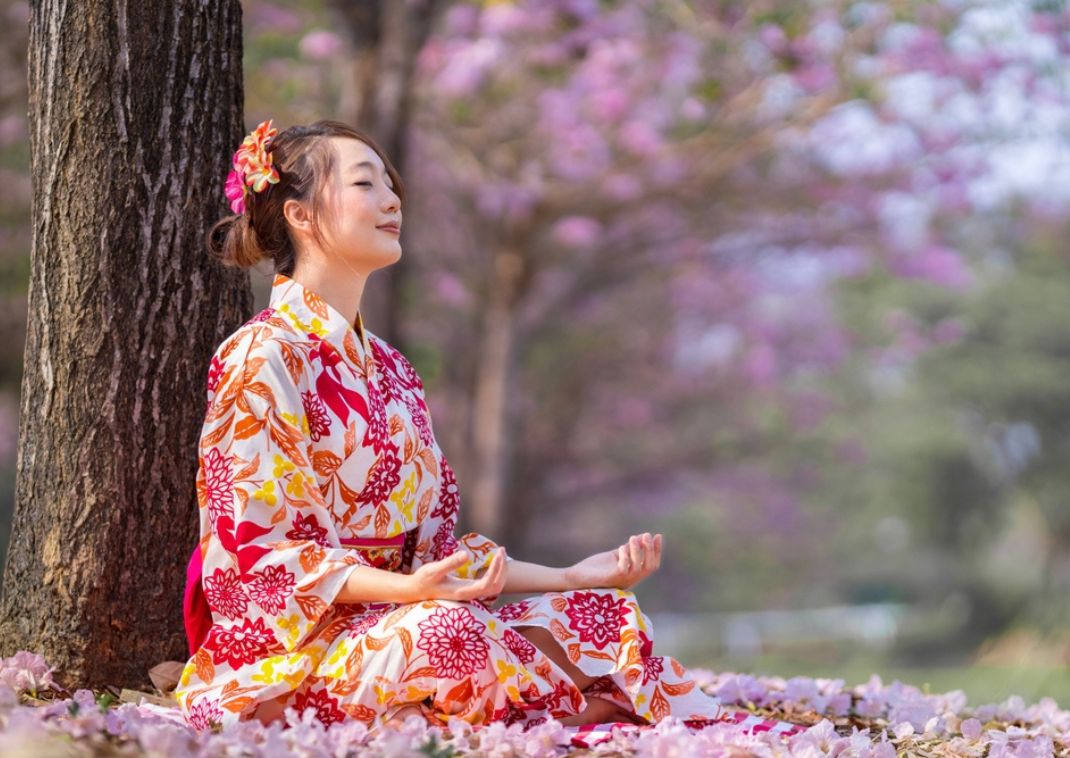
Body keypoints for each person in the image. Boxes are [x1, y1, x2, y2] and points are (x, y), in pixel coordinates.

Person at [175, 119, 804, 738]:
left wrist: (571, 577)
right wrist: (408, 591)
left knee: (603, 615)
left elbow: (437, 555)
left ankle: (509, 708)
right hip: (300, 657)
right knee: (447, 633)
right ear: (301, 216)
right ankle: (566, 709)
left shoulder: (391, 368)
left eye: (390, 183)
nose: (393, 199)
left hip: (407, 621)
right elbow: (260, 555)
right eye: (366, 184)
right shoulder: (261, 357)